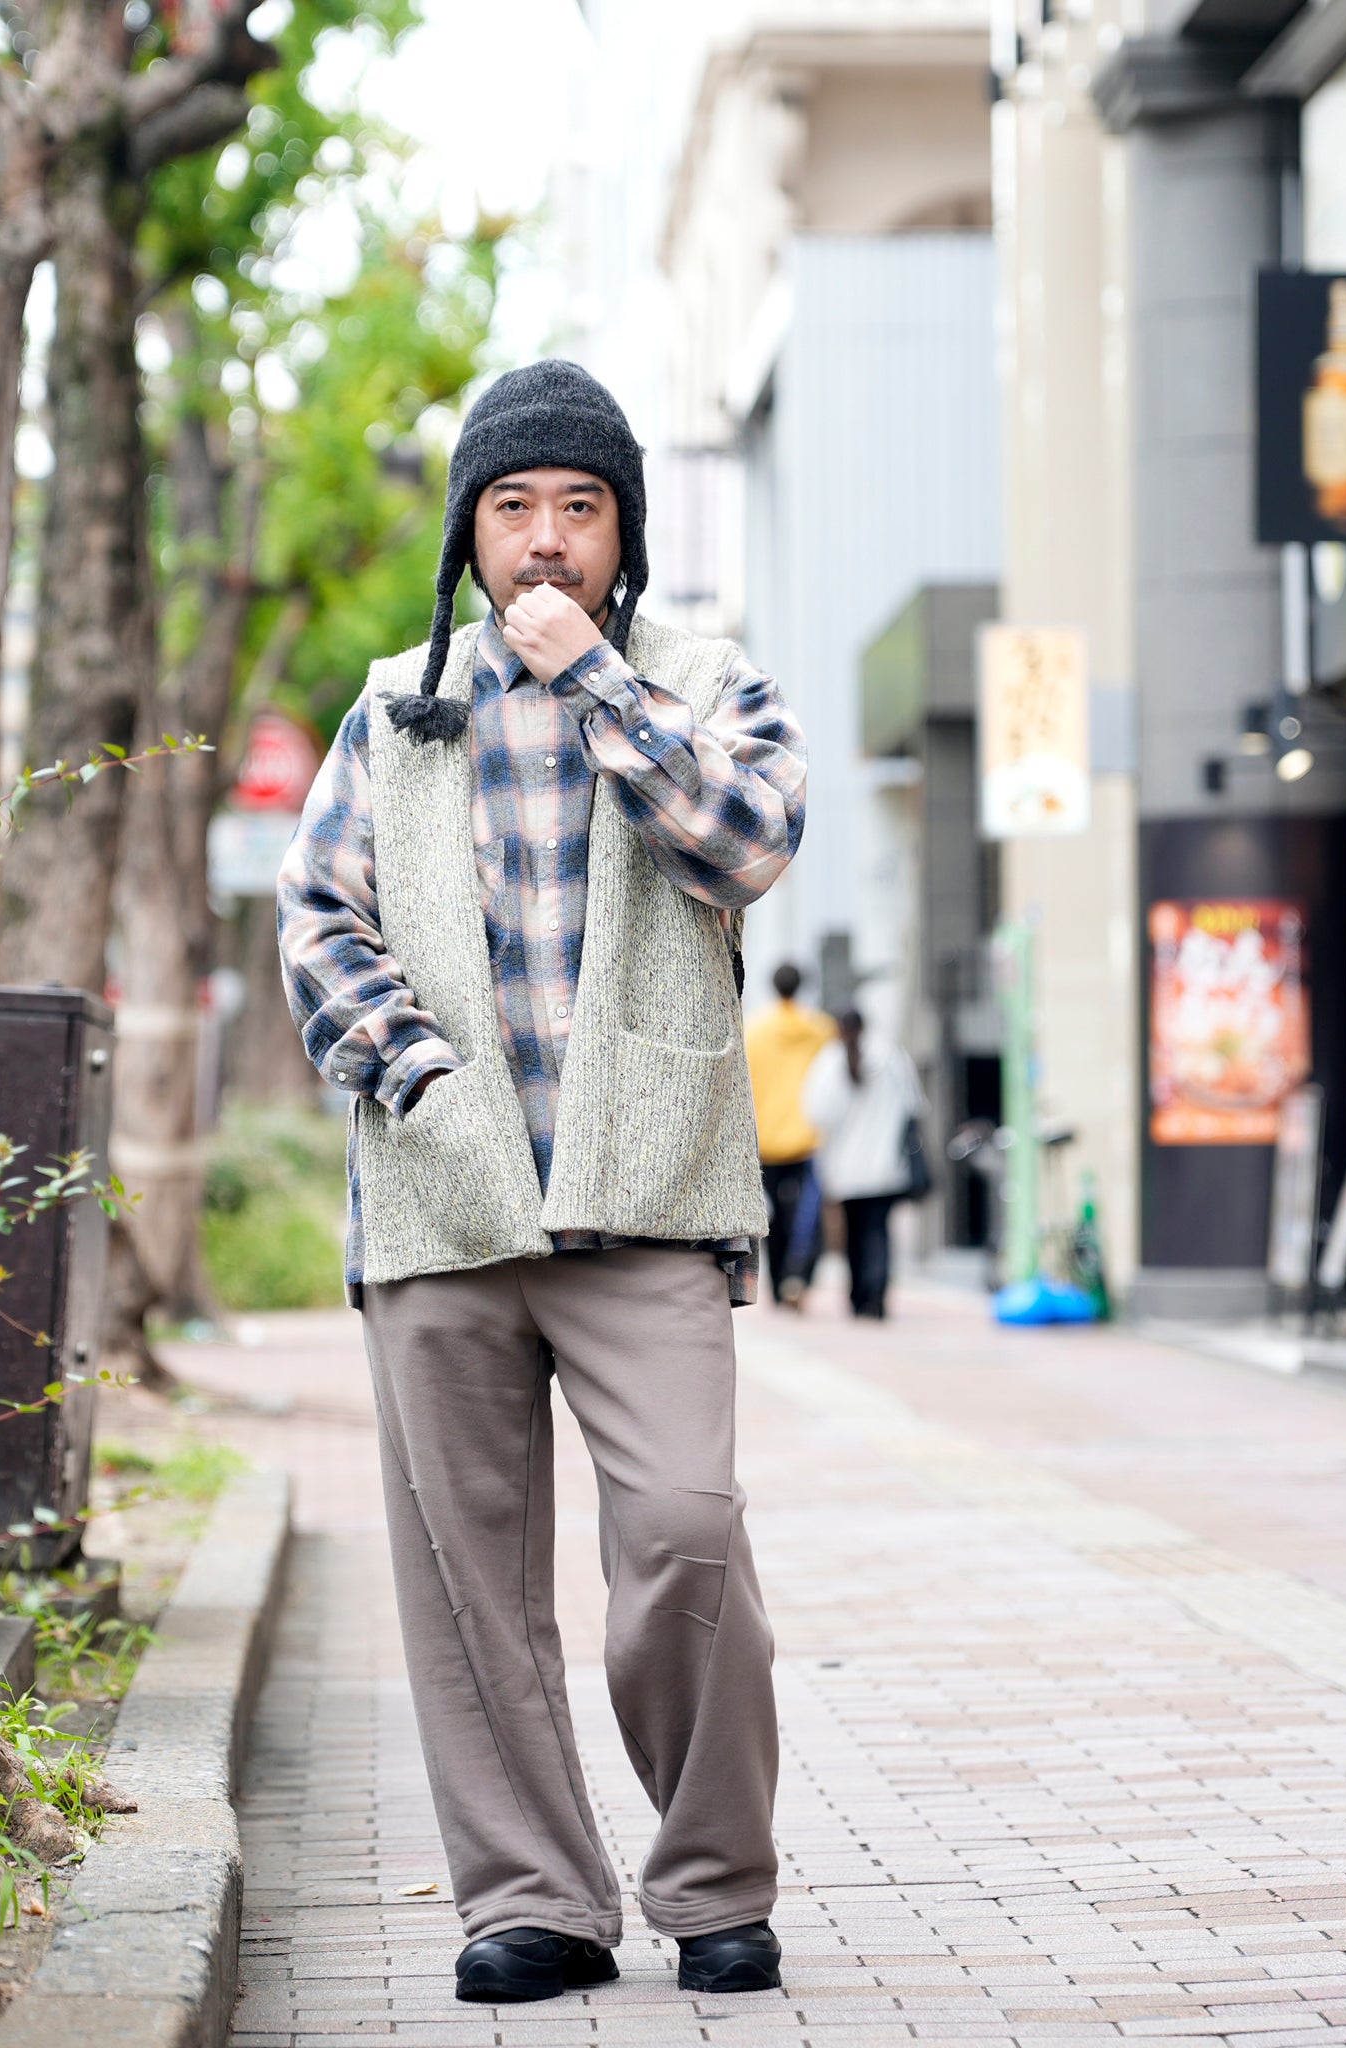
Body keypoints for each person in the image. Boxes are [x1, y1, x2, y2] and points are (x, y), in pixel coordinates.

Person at [277, 360, 806, 2007]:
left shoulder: (706, 679)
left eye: (578, 508)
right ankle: (535, 1900)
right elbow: (316, 921)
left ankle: (714, 1878)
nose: (545, 541)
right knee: (464, 1575)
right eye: (513, 509)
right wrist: (421, 1080)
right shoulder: (391, 704)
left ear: (621, 530)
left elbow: (745, 843)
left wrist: (596, 682)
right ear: (468, 529)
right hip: (443, 1204)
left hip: (648, 1190)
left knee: (682, 1529)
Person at [803, 1008, 925, 1319]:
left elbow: (816, 1114)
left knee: (854, 1234)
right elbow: (914, 1105)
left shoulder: (829, 1062)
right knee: (878, 1232)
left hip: (846, 1170)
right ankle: (876, 1298)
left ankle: (858, 1299)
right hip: (886, 1168)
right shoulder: (892, 1057)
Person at [743, 962, 837, 1305]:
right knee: (806, 1214)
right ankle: (800, 1276)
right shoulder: (823, 1029)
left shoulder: (755, 1031)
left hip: (766, 1139)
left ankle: (780, 1280)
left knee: (773, 1217)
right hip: (810, 1138)